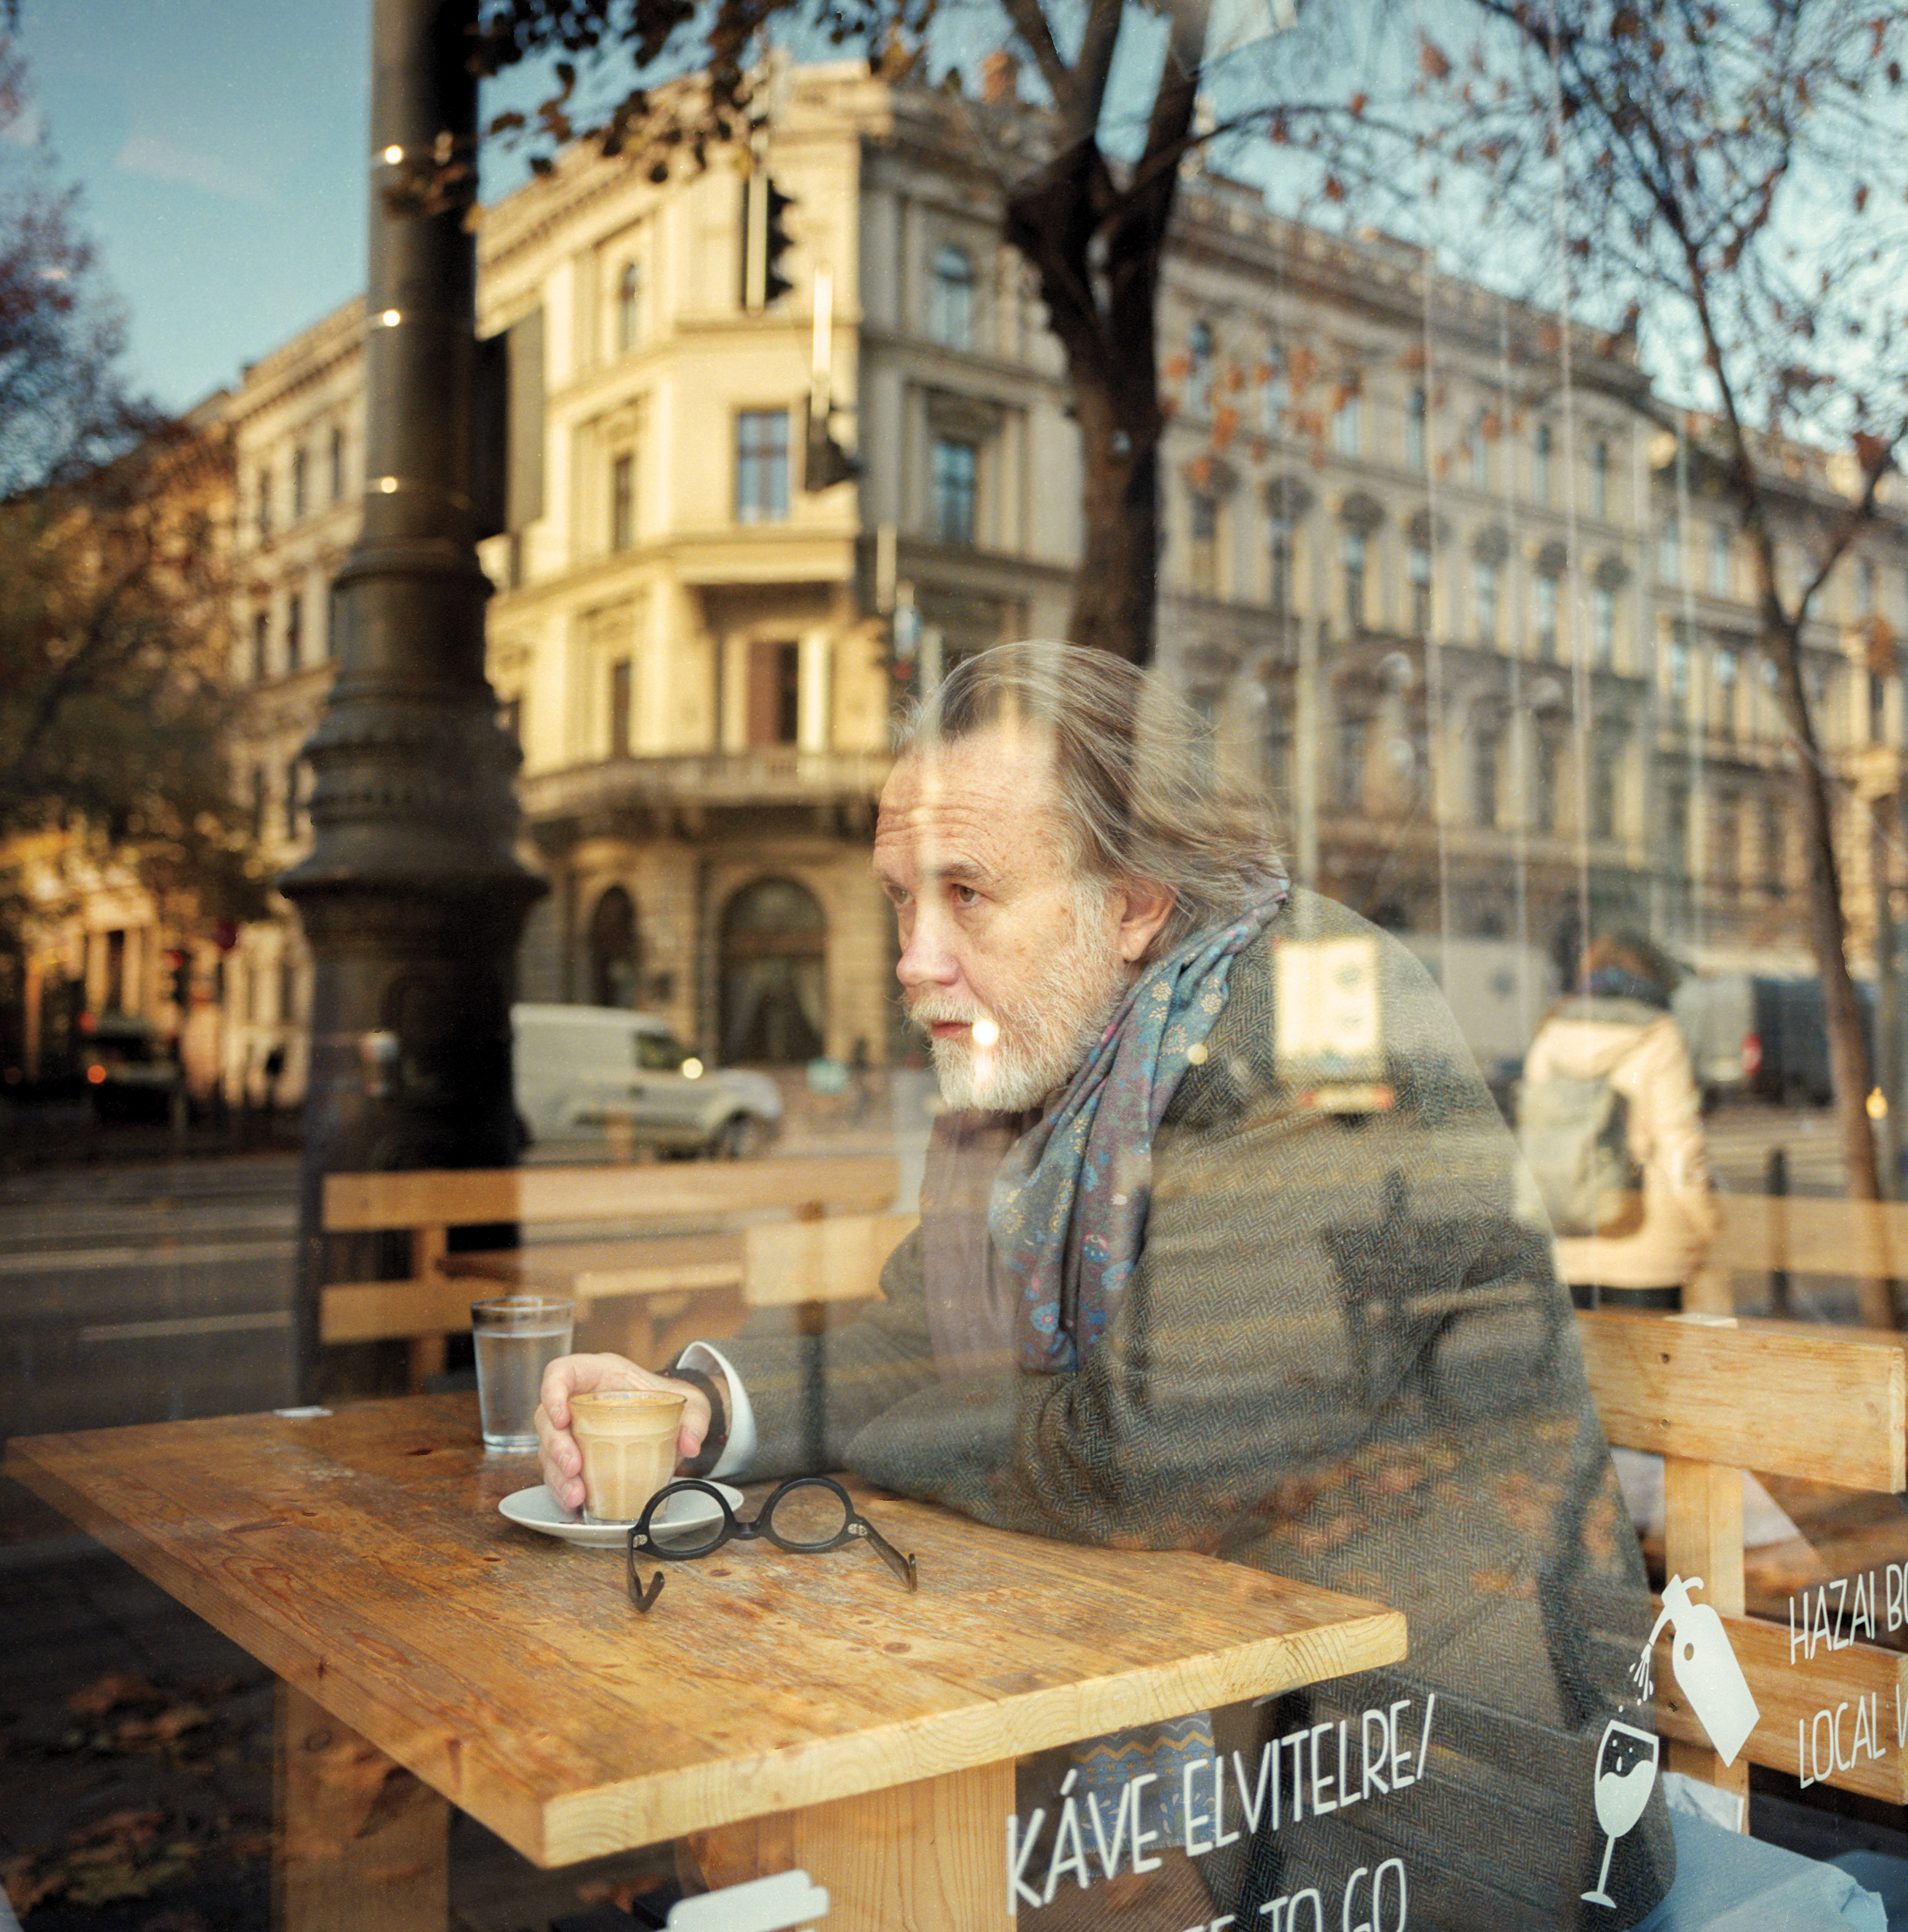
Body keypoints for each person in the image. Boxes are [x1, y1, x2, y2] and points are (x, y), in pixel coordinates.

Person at [537, 643, 1671, 1930]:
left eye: (969, 894)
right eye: (902, 899)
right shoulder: (1036, 1069)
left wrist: (899, 1435)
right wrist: (702, 1408)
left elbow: (1142, 1462)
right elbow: (920, 1334)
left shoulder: (1318, 1020)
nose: (916, 958)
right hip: (1188, 1743)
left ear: (1132, 905)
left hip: (1430, 1794)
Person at [1520, 933, 1720, 1312]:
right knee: (1650, 1370)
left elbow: (1537, 1139)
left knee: (1589, 1370)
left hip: (1570, 1246)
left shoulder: (1550, 1035)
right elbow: (1680, 1147)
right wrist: (1708, 1225)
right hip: (1647, 1249)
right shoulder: (1659, 1035)